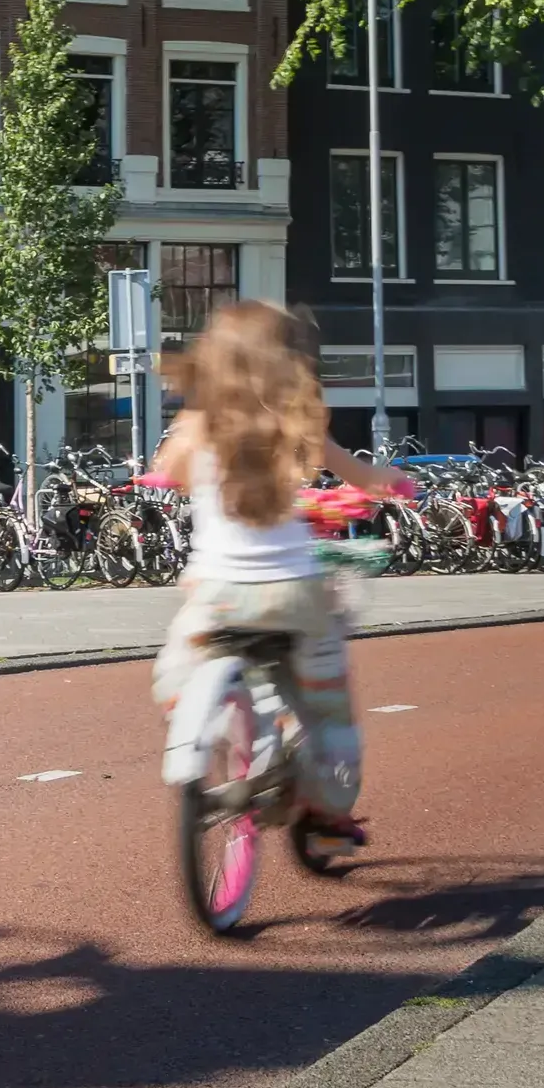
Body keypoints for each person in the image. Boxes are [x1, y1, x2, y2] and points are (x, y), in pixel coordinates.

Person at [146, 300, 414, 858]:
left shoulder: (198, 423)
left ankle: (214, 724)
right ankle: (328, 815)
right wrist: (392, 482)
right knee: (327, 709)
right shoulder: (298, 422)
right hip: (295, 595)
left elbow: (168, 471)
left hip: (216, 596)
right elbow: (365, 477)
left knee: (174, 673)